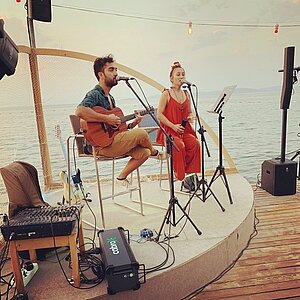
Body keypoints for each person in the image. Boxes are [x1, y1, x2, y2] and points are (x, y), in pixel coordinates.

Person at [76, 54, 163, 188]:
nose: (116, 73)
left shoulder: (110, 98)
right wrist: (106, 118)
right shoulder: (94, 94)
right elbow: (80, 112)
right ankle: (155, 153)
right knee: (141, 134)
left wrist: (132, 124)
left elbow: (115, 129)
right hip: (101, 147)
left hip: (112, 141)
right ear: (101, 74)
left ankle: (121, 178)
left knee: (143, 153)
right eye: (111, 70)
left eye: (116, 70)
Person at [156, 61, 201, 181]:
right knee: (179, 146)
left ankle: (189, 174)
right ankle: (179, 174)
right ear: (171, 78)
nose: (181, 77)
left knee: (195, 143)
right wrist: (173, 126)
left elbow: (190, 111)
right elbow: (159, 114)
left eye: (183, 74)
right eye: (178, 74)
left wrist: (192, 117)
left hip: (184, 131)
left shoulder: (187, 93)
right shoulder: (166, 94)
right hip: (170, 132)